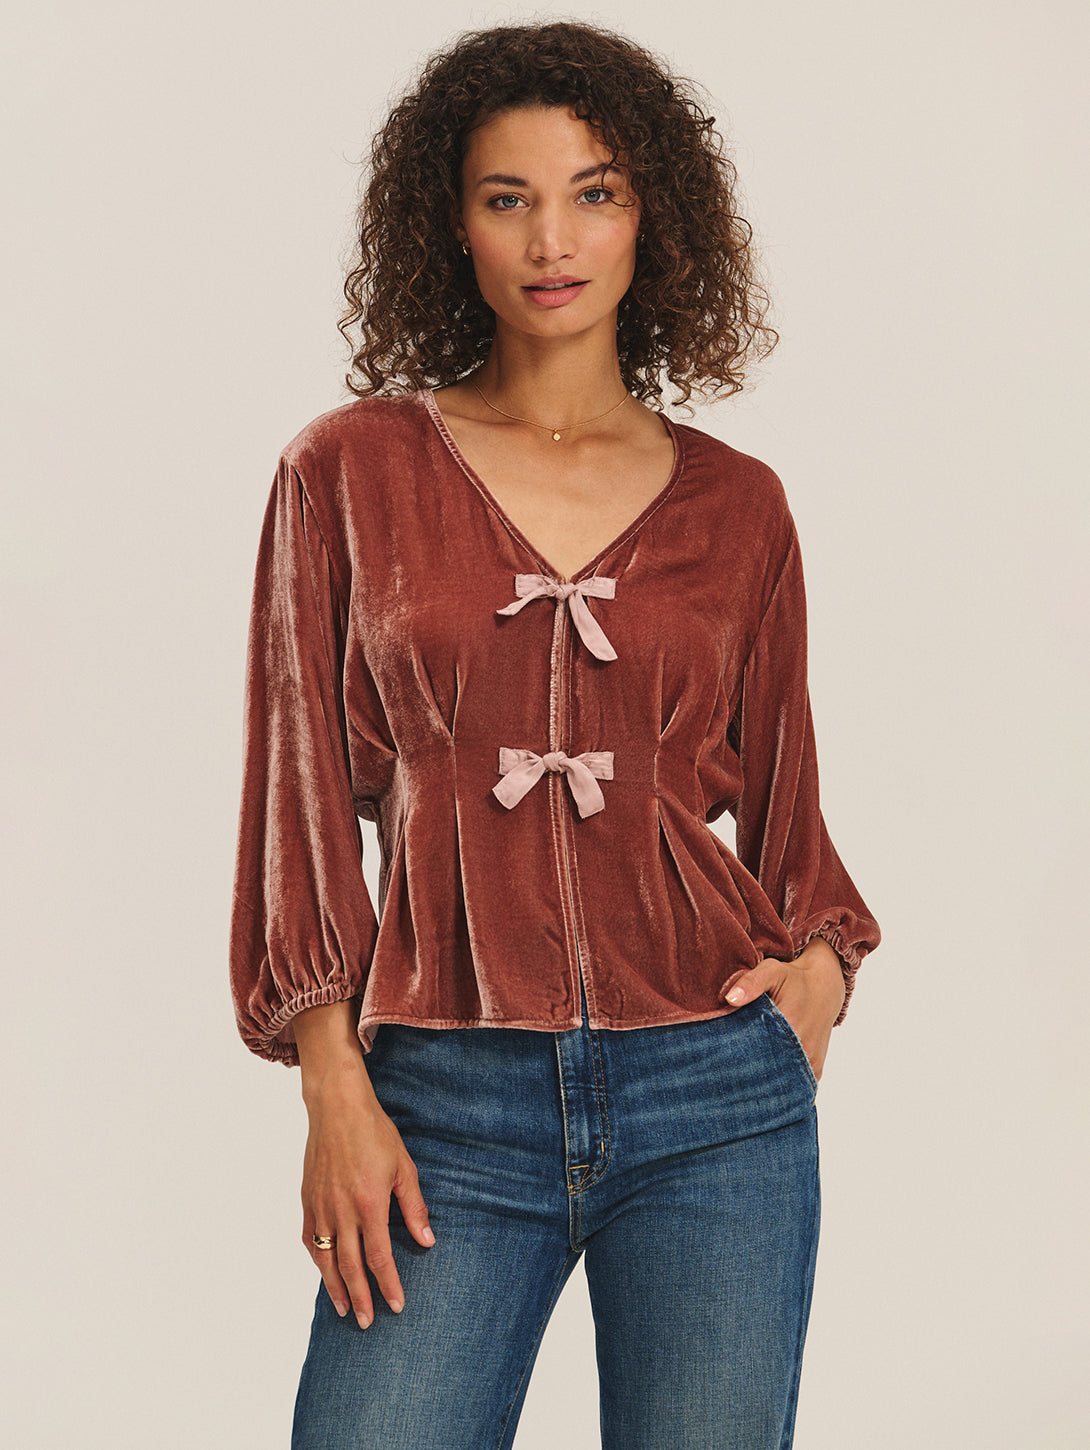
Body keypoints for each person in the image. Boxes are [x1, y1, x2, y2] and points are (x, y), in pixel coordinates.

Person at [230, 20, 880, 1450]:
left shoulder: (739, 504)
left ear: (655, 219)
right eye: (506, 197)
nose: (551, 240)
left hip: (716, 1096)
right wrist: (333, 1082)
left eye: (594, 192)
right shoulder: (347, 471)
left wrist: (823, 966)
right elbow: (294, 795)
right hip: (440, 1101)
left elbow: (788, 800)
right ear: (449, 223)